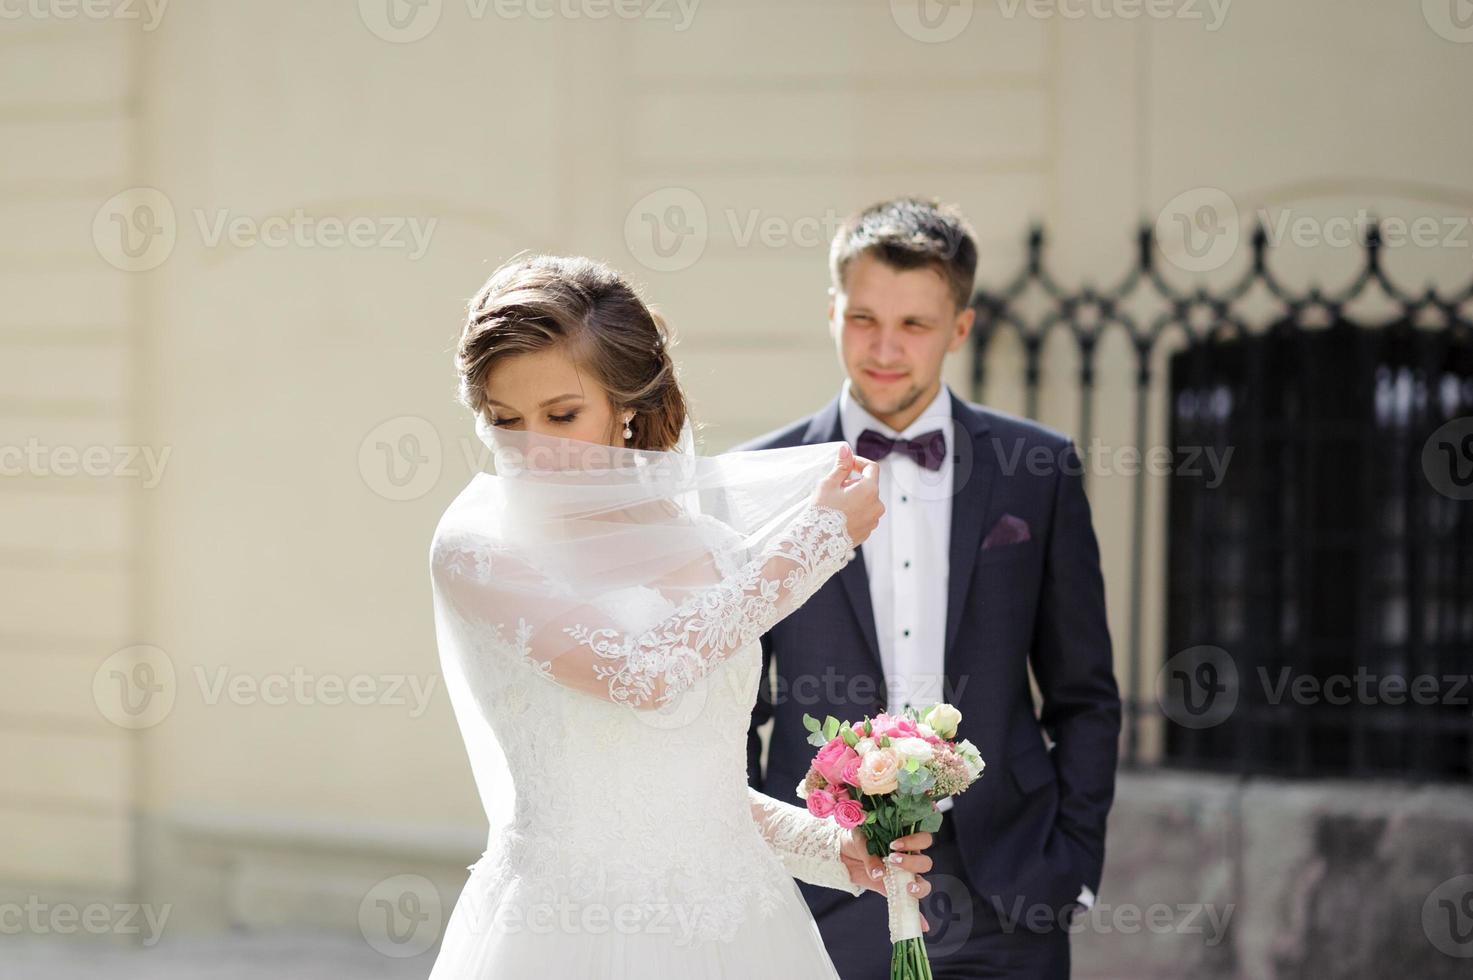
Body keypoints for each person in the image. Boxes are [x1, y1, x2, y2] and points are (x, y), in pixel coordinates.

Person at [426, 254, 937, 978]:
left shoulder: (709, 545)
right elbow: (643, 676)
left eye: (561, 415)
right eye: (505, 421)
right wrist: (818, 540)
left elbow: (692, 791)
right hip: (568, 932)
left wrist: (831, 847)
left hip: (740, 932)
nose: (531, 449)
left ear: (625, 403)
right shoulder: (478, 552)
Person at [736, 198, 1122, 979]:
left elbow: (1083, 695)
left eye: (914, 325)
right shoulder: (762, 479)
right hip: (818, 886)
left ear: (961, 328)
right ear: (832, 311)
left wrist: (1071, 869)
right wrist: (754, 866)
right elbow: (733, 702)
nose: (883, 349)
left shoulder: (1035, 469)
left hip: (1007, 886)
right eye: (862, 319)